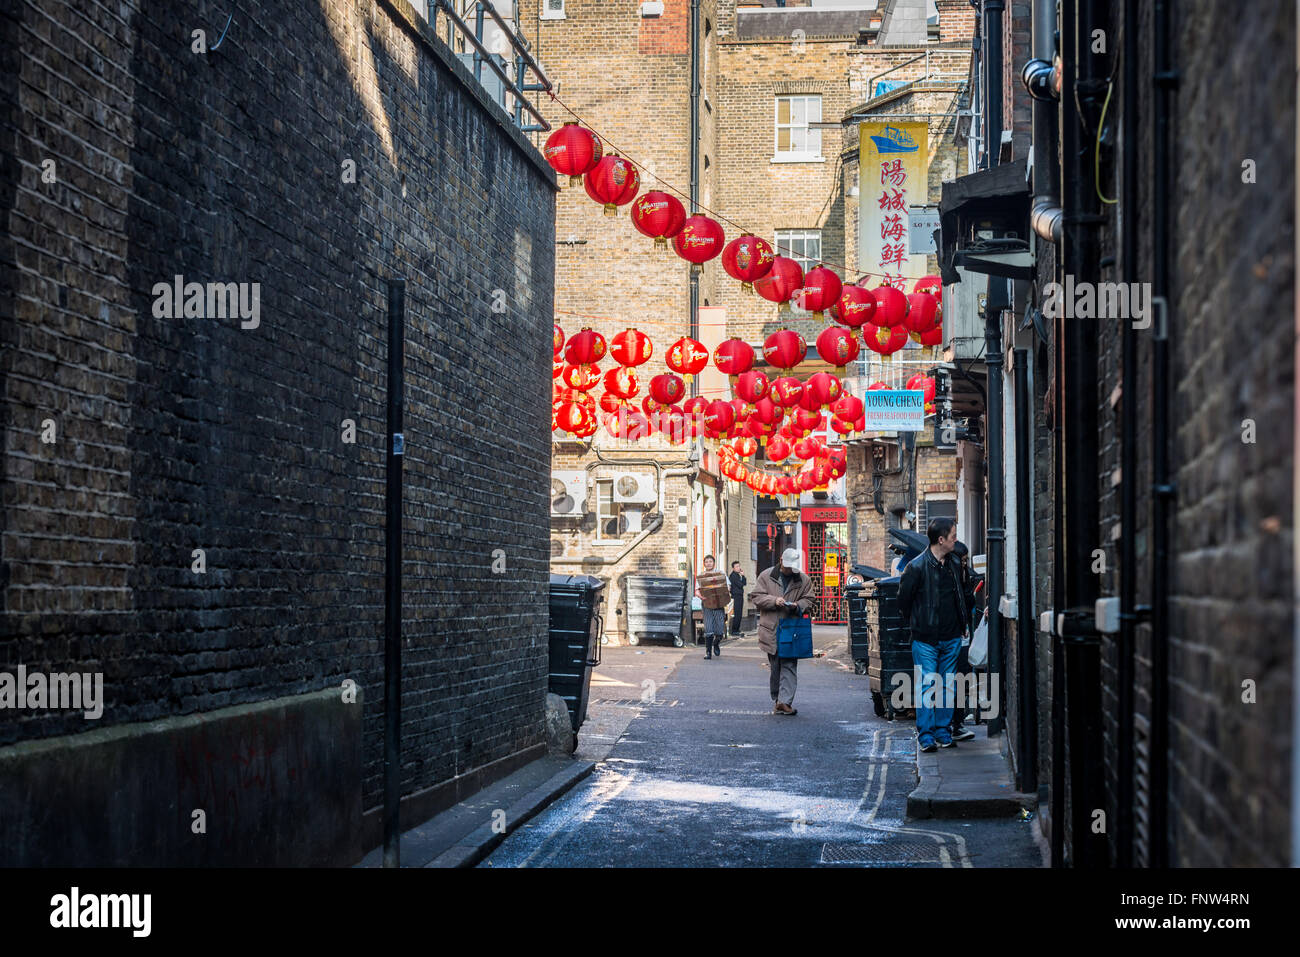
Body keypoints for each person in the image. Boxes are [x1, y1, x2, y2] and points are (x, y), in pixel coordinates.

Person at [897, 517, 976, 752]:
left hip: (952, 636)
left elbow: (962, 595)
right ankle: (926, 736)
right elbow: (904, 602)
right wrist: (918, 624)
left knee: (947, 686)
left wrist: (963, 623)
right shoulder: (916, 567)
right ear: (941, 540)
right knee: (927, 686)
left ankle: (943, 731)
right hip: (926, 639)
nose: (956, 539)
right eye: (953, 535)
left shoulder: (954, 564)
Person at [750, 547, 815, 715]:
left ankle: (785, 701)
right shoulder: (766, 576)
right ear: (780, 561)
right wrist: (774, 600)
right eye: (786, 567)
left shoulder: (803, 579)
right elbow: (756, 597)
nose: (789, 570)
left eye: (792, 567)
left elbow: (809, 599)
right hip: (771, 628)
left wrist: (797, 605)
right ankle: (777, 699)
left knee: (789, 664)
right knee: (775, 666)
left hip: (791, 629)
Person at [947, 541, 980, 741]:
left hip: (962, 636)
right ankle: (946, 726)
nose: (966, 564)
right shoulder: (947, 579)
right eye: (964, 560)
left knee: (960, 679)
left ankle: (957, 724)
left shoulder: (963, 577)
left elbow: (969, 603)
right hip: (949, 636)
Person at [696, 555, 731, 660]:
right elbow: (697, 589)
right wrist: (701, 596)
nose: (708, 563)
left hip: (719, 604)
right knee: (709, 629)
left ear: (714, 563)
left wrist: (725, 591)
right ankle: (708, 652)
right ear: (704, 564)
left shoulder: (720, 574)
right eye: (706, 562)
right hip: (707, 604)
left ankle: (716, 643)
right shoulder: (701, 576)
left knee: (719, 630)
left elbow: (728, 586)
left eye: (710, 561)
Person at [727, 561, 747, 636]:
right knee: (737, 613)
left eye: (739, 566)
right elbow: (740, 585)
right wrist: (742, 578)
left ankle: (737, 629)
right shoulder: (733, 576)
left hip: (739, 596)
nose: (739, 568)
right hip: (736, 596)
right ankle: (734, 630)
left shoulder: (738, 575)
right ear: (733, 568)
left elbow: (744, 583)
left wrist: (743, 576)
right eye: (737, 567)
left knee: (739, 613)